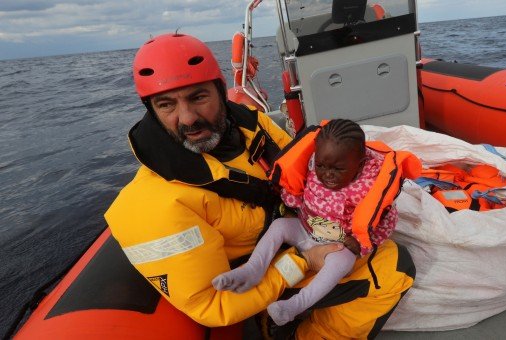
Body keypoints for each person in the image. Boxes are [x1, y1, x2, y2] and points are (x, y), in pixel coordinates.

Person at [105, 32, 416, 339]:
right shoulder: (152, 206)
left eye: (198, 97)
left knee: (383, 248)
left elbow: (301, 176)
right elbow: (211, 305)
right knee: (395, 268)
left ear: (219, 90)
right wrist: (302, 261)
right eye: (166, 105)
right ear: (151, 111)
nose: (188, 118)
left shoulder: (253, 126)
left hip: (302, 230)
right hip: (260, 276)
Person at [213, 119, 420, 327]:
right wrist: (291, 203)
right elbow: (299, 190)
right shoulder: (313, 164)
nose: (327, 174)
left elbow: (386, 221)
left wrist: (363, 244)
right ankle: (253, 269)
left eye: (338, 169)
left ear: (361, 163)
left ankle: (294, 306)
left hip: (336, 245)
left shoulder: (370, 187)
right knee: (279, 227)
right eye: (321, 165)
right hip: (305, 229)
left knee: (343, 262)